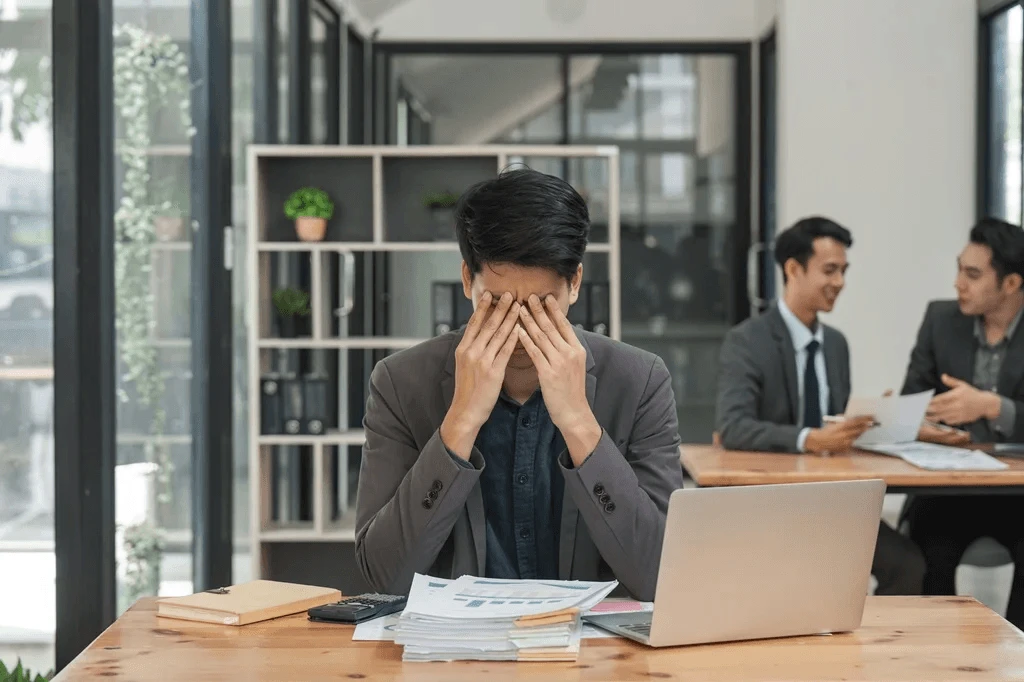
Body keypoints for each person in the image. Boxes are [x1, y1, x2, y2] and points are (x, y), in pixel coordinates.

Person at [354, 168, 683, 601]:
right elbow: (381, 577)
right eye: (499, 305)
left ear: (575, 284)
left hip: (596, 658)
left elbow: (663, 575)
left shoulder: (640, 381)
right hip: (454, 655)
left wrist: (580, 425)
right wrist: (461, 422)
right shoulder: (401, 383)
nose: (521, 329)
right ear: (468, 281)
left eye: (543, 306)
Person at [715, 216, 926, 595]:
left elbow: (833, 422)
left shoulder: (836, 345)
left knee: (910, 565)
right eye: (830, 270)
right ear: (793, 269)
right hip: (773, 504)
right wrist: (811, 439)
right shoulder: (747, 341)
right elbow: (733, 426)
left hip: (834, 500)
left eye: (844, 271)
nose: (840, 282)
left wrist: (871, 420)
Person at [901, 217, 1024, 627]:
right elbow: (911, 400)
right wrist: (926, 423)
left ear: (1010, 284)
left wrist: (992, 407)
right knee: (927, 555)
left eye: (972, 274)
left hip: (1018, 493)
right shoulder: (940, 319)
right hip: (949, 490)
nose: (958, 284)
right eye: (959, 269)